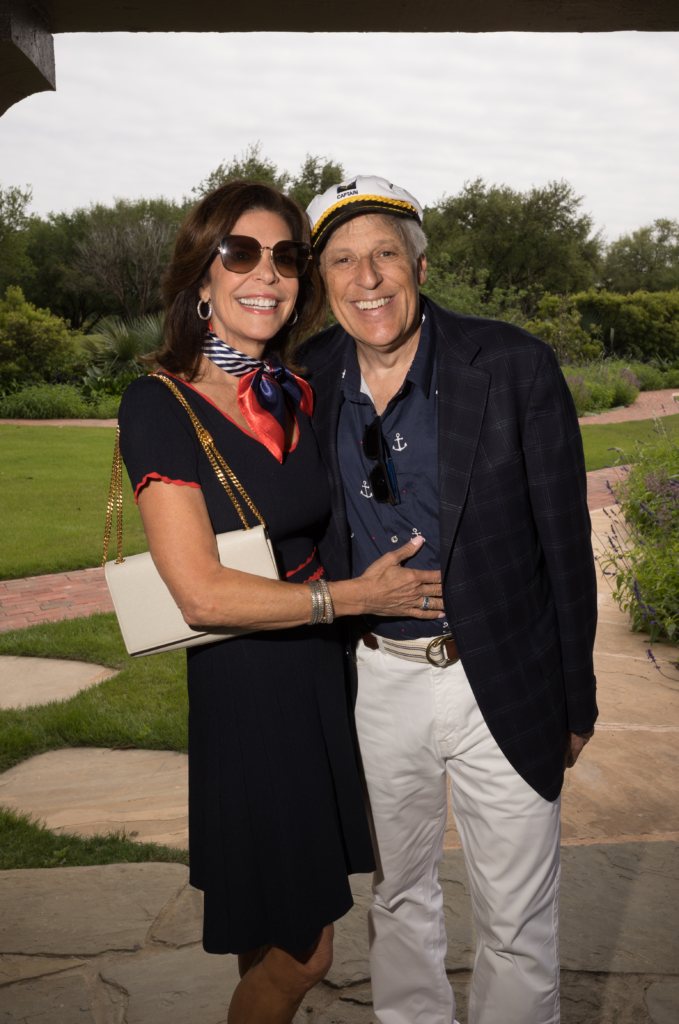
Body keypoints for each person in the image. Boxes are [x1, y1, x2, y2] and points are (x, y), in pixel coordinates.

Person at [117, 180, 445, 1024]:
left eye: (286, 256)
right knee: (306, 952)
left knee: (266, 933)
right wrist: (354, 597)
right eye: (240, 253)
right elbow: (198, 591)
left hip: (319, 684)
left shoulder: (293, 390)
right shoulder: (159, 402)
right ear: (201, 277)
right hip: (250, 693)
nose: (267, 274)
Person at [299, 175, 598, 1024]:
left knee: (515, 922)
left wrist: (575, 699)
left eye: (385, 255)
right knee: (397, 899)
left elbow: (563, 547)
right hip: (374, 682)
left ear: (419, 266)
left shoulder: (510, 365)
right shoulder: (306, 374)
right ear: (322, 282)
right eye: (344, 261)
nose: (367, 279)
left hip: (496, 674)